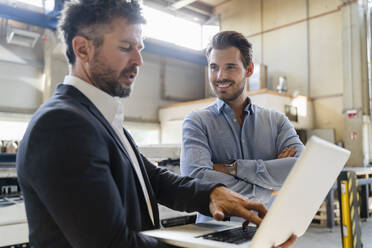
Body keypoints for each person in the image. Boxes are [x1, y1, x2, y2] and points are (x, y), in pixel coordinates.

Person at [16, 1, 296, 248]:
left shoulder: (98, 118)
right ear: (83, 49)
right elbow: (112, 244)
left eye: (140, 48)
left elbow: (156, 180)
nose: (138, 60)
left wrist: (212, 194)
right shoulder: (62, 125)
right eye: (126, 47)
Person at [181, 31, 305, 223]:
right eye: (214, 67)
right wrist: (270, 188)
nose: (220, 76)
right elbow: (196, 179)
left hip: (267, 234)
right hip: (215, 238)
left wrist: (232, 168)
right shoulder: (197, 122)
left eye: (230, 67)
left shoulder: (278, 121)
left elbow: (302, 169)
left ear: (248, 69)